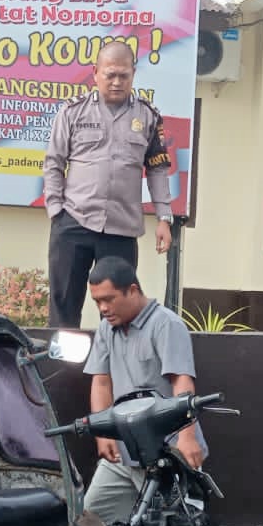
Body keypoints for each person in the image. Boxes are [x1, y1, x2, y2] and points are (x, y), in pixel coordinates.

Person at [43, 41, 174, 328]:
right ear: (95, 73)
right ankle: (62, 369)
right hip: (73, 223)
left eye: (123, 75)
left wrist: (164, 218)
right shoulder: (72, 112)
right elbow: (53, 162)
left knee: (122, 310)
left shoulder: (148, 117)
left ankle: (116, 370)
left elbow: (158, 169)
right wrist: (56, 210)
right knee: (64, 305)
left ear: (133, 74)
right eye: (110, 74)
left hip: (121, 229)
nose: (117, 82)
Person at [78, 256, 206, 526]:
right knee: (90, 521)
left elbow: (181, 381)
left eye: (109, 299)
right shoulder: (106, 329)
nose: (102, 308)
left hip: (167, 454)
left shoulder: (166, 324)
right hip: (122, 455)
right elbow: (101, 381)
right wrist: (103, 434)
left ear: (133, 291)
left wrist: (187, 438)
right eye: (97, 302)